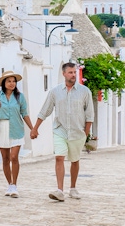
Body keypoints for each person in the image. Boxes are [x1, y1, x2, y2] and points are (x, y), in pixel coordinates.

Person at [30, 62, 94, 202]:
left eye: (74, 72)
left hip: (78, 132)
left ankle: (73, 188)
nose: (73, 75)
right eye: (70, 72)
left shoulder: (85, 92)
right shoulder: (55, 92)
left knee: (74, 160)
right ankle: (59, 190)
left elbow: (89, 114)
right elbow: (45, 110)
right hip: (60, 130)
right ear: (64, 74)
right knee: (59, 157)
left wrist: (86, 132)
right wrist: (35, 128)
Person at [0, 70, 33, 198]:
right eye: (9, 81)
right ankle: (9, 184)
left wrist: (32, 128)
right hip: (2, 127)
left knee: (14, 157)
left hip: (16, 128)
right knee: (5, 158)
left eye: (14, 81)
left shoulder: (20, 97)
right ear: (4, 83)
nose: (12, 83)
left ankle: (14, 185)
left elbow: (24, 113)